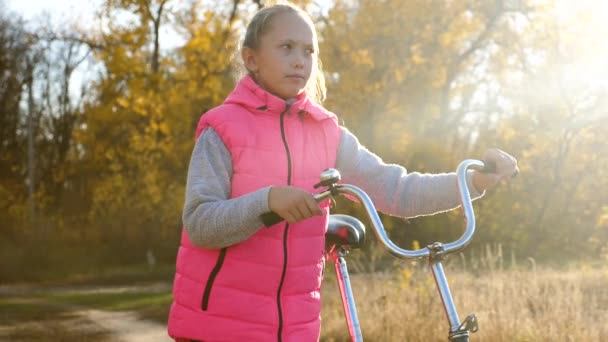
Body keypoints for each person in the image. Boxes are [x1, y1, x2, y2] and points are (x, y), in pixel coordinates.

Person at [167, 2, 519, 341]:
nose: (299, 61)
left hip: (295, 331)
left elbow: (398, 190)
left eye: (308, 51)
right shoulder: (223, 128)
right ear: (251, 59)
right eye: (286, 47)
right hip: (218, 329)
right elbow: (200, 224)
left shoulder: (328, 134)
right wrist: (268, 201)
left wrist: (472, 181)